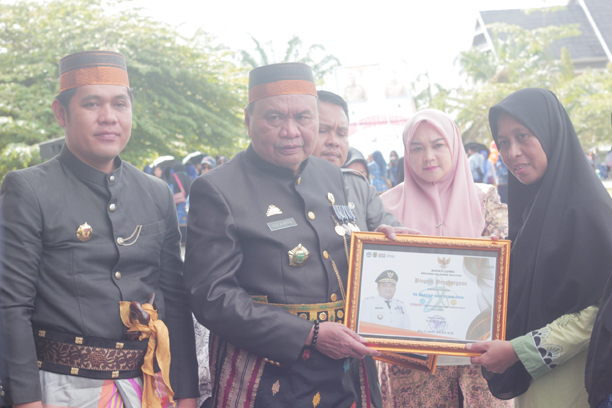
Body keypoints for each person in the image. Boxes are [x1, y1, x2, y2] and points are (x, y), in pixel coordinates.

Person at [184, 63, 394, 408]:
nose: (291, 131)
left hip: (343, 373)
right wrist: (308, 334)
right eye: (274, 118)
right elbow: (211, 295)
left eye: (303, 117)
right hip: (267, 379)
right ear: (248, 120)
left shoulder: (330, 175)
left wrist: (384, 248)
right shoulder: (219, 188)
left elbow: (342, 257)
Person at [0, 51, 198, 407]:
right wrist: (26, 401)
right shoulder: (28, 189)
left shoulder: (156, 192)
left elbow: (175, 300)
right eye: (92, 104)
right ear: (61, 113)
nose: (109, 117)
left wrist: (186, 392)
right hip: (62, 389)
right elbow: (10, 305)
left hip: (150, 385)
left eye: (120, 104)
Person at [467, 88, 612, 407]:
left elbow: (600, 312)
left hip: (574, 379)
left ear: (550, 133)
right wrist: (498, 261)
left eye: (522, 136)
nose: (513, 152)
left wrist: (520, 351)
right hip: (535, 380)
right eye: (503, 142)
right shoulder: (535, 205)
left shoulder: (588, 211)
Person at [380, 109, 509, 408]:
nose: (428, 157)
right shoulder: (385, 206)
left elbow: (505, 268)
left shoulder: (485, 199)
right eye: (417, 148)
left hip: (478, 353)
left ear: (454, 146)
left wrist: (492, 259)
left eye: (438, 145)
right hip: (412, 360)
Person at [312, 90, 401, 231]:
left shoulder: (359, 187)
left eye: (341, 133)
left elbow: (397, 234)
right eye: (322, 130)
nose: (334, 141)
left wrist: (381, 239)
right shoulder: (282, 187)